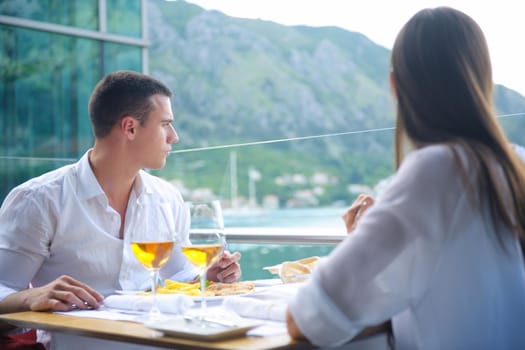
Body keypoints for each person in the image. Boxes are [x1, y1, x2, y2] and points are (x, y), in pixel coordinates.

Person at [286, 7, 525, 349]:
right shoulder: (514, 163)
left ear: (396, 85)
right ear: (485, 81)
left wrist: (361, 244)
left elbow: (305, 317)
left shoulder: (436, 169)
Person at [0, 70, 241, 348]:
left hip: (157, 340)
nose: (174, 137)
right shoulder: (39, 199)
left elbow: (178, 276)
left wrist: (209, 275)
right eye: (165, 124)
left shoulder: (167, 198)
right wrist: (32, 296)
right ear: (130, 128)